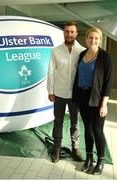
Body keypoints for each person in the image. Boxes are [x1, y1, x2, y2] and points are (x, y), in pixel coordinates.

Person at [72, 27, 113, 175]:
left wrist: (104, 104)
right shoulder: (82, 54)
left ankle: (101, 160)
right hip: (83, 97)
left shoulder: (105, 57)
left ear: (99, 40)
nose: (93, 40)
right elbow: (77, 76)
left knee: (97, 130)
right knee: (87, 130)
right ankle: (89, 159)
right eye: (91, 38)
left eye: (96, 38)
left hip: (97, 98)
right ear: (86, 39)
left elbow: (108, 82)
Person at [47, 21, 85, 163]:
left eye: (72, 31)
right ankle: (57, 149)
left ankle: (75, 149)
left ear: (76, 33)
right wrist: (50, 91)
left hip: (75, 95)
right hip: (59, 93)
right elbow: (51, 72)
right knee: (58, 122)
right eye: (67, 31)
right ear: (64, 32)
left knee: (75, 123)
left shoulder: (82, 51)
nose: (69, 34)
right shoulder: (55, 51)